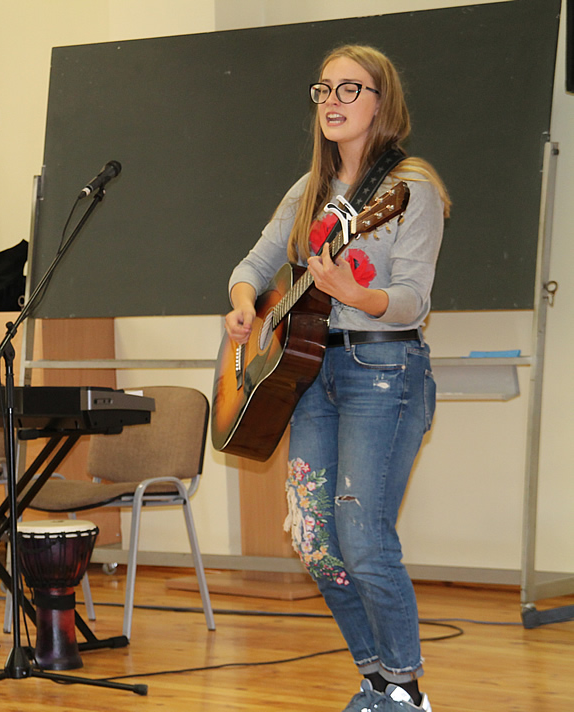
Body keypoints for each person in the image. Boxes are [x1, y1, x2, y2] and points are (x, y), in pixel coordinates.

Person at [225, 45, 450, 712]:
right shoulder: (308, 192)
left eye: (350, 88)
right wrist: (245, 307)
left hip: (384, 371)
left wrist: (355, 293)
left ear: (382, 103)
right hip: (310, 377)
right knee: (316, 540)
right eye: (324, 88)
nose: (332, 100)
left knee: (362, 536)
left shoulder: (410, 189)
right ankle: (376, 680)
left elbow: (412, 300)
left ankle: (406, 690)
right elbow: (253, 265)